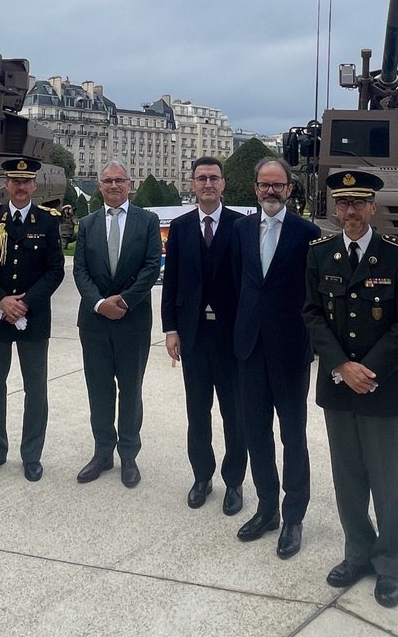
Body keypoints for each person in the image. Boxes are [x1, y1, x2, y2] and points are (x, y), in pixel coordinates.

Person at [302, 170, 398, 607]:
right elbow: (312, 313)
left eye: (359, 203)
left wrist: (366, 370)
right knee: (348, 477)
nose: (350, 212)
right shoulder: (320, 253)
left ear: (373, 207)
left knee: (387, 480)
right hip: (337, 385)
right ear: (335, 208)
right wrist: (340, 365)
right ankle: (357, 552)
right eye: (343, 204)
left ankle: (390, 563)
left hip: (381, 386)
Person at [232, 157, 319, 559]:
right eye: (264, 185)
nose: (270, 191)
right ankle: (266, 508)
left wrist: (312, 347)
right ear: (255, 188)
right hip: (249, 348)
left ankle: (293, 516)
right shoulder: (240, 230)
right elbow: (237, 285)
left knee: (292, 435)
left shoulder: (308, 233)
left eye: (278, 185)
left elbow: (314, 295)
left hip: (289, 351)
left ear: (289, 189)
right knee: (256, 434)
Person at [0, 157, 65, 481]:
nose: (21, 187)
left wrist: (25, 303)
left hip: (32, 316)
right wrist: (1, 300)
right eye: (15, 181)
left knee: (35, 389)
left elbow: (54, 270)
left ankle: (31, 455)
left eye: (26, 182)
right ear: (7, 185)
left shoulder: (48, 221)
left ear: (34, 185)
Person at [161, 157, 246, 515]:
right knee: (198, 413)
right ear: (192, 184)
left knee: (234, 415)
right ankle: (202, 476)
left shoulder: (241, 226)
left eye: (213, 178)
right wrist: (170, 329)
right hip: (193, 336)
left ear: (223, 184)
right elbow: (172, 283)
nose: (208, 184)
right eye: (201, 178)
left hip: (229, 338)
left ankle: (235, 482)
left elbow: (246, 284)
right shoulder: (179, 228)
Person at [73, 160, 160, 488]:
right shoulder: (87, 223)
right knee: (99, 389)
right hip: (94, 323)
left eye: (119, 180)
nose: (113, 186)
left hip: (132, 320)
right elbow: (79, 270)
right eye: (107, 181)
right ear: (99, 186)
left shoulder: (147, 221)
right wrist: (98, 303)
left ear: (130, 184)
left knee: (130, 390)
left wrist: (122, 301)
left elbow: (152, 267)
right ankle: (102, 452)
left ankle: (128, 455)